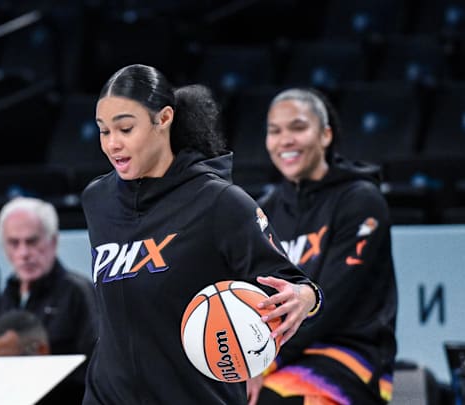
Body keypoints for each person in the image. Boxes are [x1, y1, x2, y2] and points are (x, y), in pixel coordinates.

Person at [80, 64, 323, 405]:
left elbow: (294, 284)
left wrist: (304, 298)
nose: (113, 144)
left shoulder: (220, 203)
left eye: (125, 128)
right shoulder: (97, 200)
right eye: (104, 131)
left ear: (163, 119)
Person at [246, 88, 398, 404]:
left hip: (351, 355)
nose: (285, 140)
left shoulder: (361, 200)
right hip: (277, 352)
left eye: (298, 128)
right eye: (275, 131)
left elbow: (333, 300)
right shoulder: (264, 211)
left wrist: (263, 362)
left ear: (325, 135)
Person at [0, 196, 97, 403]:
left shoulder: (77, 292)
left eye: (32, 241)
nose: (23, 253)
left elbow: (97, 366)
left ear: (53, 241)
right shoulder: (6, 296)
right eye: (14, 243)